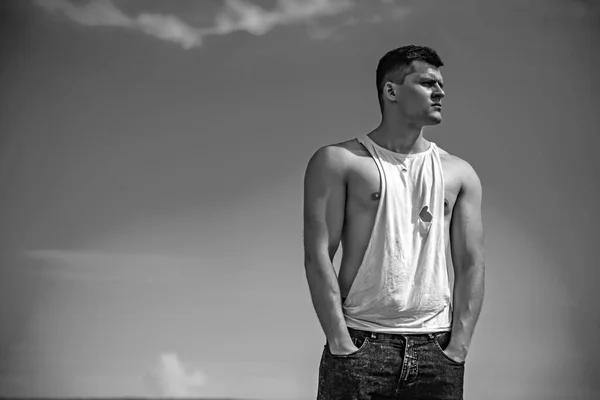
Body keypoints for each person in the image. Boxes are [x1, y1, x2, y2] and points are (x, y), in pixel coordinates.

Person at [302, 45, 485, 399]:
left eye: (442, 85)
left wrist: (457, 347)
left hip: (437, 350)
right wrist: (341, 342)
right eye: (427, 83)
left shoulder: (459, 173)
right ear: (391, 91)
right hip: (360, 345)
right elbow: (317, 254)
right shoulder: (339, 161)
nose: (440, 92)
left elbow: (472, 263)